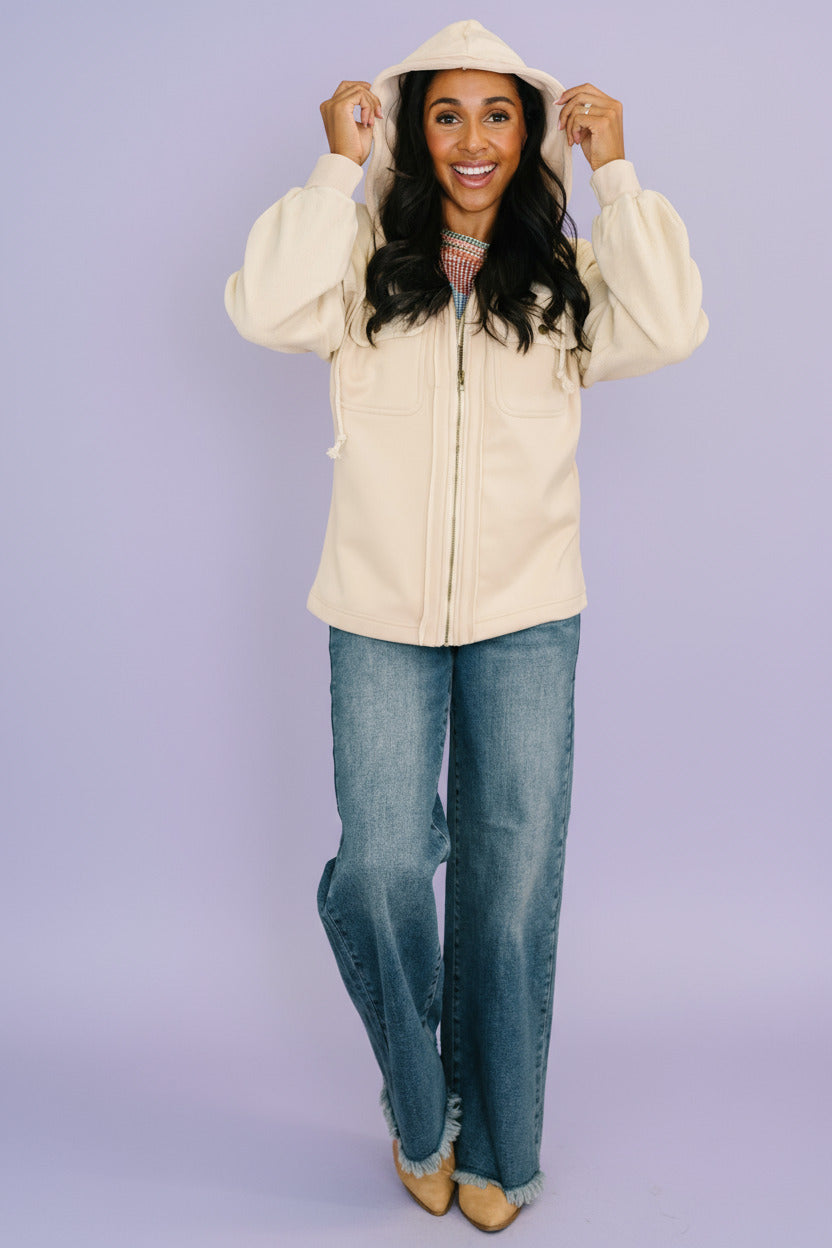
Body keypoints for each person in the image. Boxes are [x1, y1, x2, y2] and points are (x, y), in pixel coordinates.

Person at [224, 18, 708, 1234]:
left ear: (528, 131)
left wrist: (619, 173)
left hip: (528, 617)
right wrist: (336, 168)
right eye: (447, 114)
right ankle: (417, 1099)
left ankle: (497, 1148)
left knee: (507, 891)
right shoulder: (360, 269)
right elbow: (260, 308)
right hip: (376, 614)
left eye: (498, 114)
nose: (473, 139)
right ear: (413, 128)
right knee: (384, 867)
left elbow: (676, 323)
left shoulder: (562, 282)